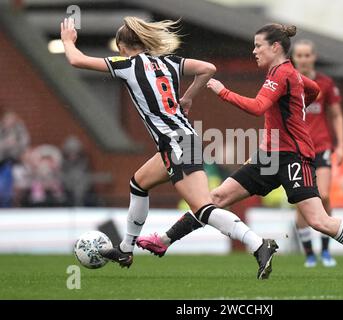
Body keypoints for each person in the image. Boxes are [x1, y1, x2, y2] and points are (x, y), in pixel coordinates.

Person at [137, 23, 343, 279]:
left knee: (318, 220)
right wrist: (296, 108)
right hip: (269, 157)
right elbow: (314, 90)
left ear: (275, 47)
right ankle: (163, 241)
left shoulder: (281, 73)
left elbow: (257, 107)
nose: (254, 51)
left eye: (258, 46)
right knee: (215, 198)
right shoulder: (289, 74)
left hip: (293, 157)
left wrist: (222, 91)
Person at [60, 17, 276, 279]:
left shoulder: (127, 64)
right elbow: (208, 68)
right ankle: (126, 249)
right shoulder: (169, 62)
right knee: (138, 183)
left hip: (177, 143)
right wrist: (188, 97)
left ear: (122, 45)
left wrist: (67, 41)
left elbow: (76, 60)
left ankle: (257, 244)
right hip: (179, 140)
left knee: (202, 209)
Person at [290, 39, 343, 267]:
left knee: (323, 196)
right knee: (303, 201)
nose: (303, 59)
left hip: (321, 146)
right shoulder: (287, 82)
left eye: (307, 55)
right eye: (299, 55)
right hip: (296, 149)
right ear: (293, 58)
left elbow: (336, 115)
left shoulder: (325, 83)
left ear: (314, 57)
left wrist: (341, 144)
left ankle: (325, 250)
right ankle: (309, 253)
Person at [0, 112, 30, 207]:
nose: (9, 122)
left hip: (16, 162)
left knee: (18, 184)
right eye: (7, 119)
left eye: (11, 119)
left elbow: (24, 145)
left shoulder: (20, 131)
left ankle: (17, 204)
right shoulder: (2, 130)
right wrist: (6, 143)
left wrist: (15, 144)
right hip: (2, 161)